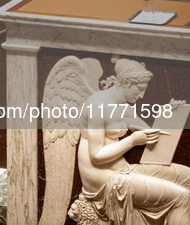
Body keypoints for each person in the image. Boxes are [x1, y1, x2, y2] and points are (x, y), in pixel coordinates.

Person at [78, 55, 190, 224]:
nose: (142, 95)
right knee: (180, 197)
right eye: (139, 88)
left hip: (123, 170)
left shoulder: (124, 108)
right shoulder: (98, 105)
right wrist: (131, 141)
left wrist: (172, 112)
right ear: (127, 83)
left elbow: (153, 134)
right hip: (102, 181)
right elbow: (96, 156)